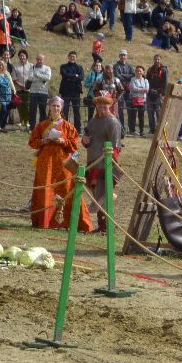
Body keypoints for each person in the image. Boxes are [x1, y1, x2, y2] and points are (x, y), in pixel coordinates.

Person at [28, 96, 94, 232]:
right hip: (45, 163)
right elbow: (32, 142)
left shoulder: (68, 126)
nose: (55, 108)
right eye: (53, 106)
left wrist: (63, 141)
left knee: (67, 188)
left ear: (61, 108)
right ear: (49, 107)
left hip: (63, 163)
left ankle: (68, 221)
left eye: (58, 106)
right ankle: (45, 221)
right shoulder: (42, 125)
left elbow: (74, 145)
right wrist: (43, 142)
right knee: (46, 188)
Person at [82, 92, 123, 232]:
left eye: (104, 106)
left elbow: (116, 146)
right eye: (99, 106)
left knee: (104, 194)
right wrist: (84, 141)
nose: (101, 109)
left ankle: (106, 227)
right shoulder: (92, 122)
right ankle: (102, 226)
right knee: (97, 194)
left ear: (109, 107)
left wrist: (110, 163)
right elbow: (87, 137)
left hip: (105, 163)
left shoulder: (113, 122)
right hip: (92, 161)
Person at [58, 50, 84, 127]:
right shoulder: (63, 66)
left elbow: (81, 77)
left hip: (76, 91)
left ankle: (77, 129)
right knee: (64, 110)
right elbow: (64, 74)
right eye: (71, 56)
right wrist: (75, 76)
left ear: (76, 58)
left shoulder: (79, 67)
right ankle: (64, 127)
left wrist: (70, 77)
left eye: (74, 57)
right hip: (65, 91)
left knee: (76, 111)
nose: (72, 58)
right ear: (68, 57)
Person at [27, 53, 52, 129]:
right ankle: (32, 127)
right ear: (36, 59)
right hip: (33, 92)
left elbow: (47, 78)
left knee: (43, 111)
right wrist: (41, 78)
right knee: (32, 111)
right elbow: (30, 78)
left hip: (43, 92)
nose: (39, 61)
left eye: (41, 59)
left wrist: (37, 75)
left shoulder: (47, 68)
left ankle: (42, 127)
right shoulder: (32, 67)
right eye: (38, 59)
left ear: (43, 60)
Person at [111, 49, 135, 124]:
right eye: (121, 55)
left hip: (128, 89)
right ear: (119, 56)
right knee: (120, 108)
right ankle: (121, 126)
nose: (123, 56)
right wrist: (127, 76)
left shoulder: (129, 66)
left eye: (124, 55)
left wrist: (123, 75)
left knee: (130, 108)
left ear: (126, 56)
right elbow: (117, 76)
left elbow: (133, 75)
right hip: (119, 89)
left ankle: (131, 128)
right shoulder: (116, 66)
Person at [146, 54, 167, 135]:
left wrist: (161, 93)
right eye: (155, 59)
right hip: (150, 93)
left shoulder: (164, 70)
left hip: (159, 94)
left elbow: (165, 83)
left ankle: (160, 130)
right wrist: (149, 90)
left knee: (159, 113)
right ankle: (152, 129)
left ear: (160, 60)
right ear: (153, 60)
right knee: (150, 112)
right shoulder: (150, 70)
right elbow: (147, 81)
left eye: (158, 59)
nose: (157, 61)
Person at [126, 65, 149, 136]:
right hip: (133, 99)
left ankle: (141, 131)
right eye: (137, 71)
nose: (138, 72)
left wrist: (138, 89)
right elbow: (132, 88)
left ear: (143, 72)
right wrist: (142, 89)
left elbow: (147, 89)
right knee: (133, 116)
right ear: (135, 72)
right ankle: (132, 130)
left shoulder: (145, 80)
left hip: (143, 100)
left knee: (141, 116)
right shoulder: (132, 79)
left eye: (140, 71)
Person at [0, 59, 13, 131]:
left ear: (3, 66)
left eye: (1, 65)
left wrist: (14, 90)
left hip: (8, 94)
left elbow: (11, 82)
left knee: (7, 111)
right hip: (0, 94)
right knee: (3, 109)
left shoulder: (7, 73)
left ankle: (3, 126)